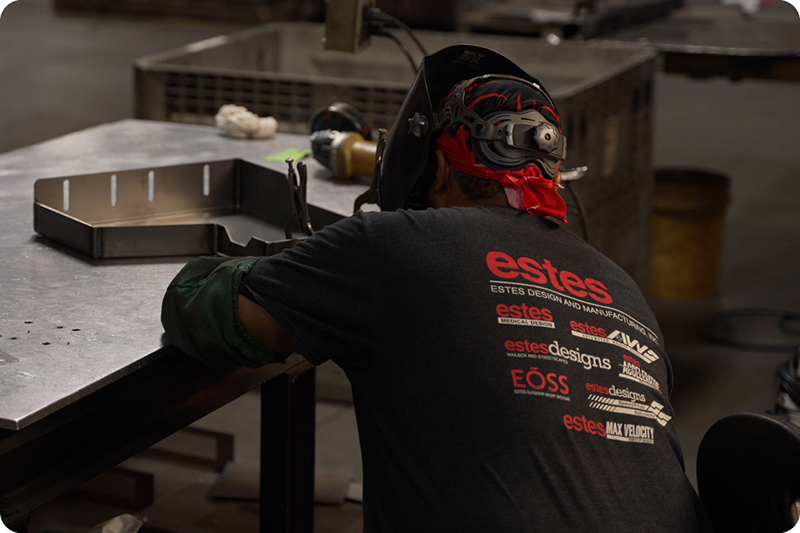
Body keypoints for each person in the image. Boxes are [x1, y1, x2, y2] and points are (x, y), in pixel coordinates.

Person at [161, 45, 711, 532]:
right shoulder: (622, 287)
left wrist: (300, 268)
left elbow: (206, 314)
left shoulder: (396, 245)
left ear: (442, 171)